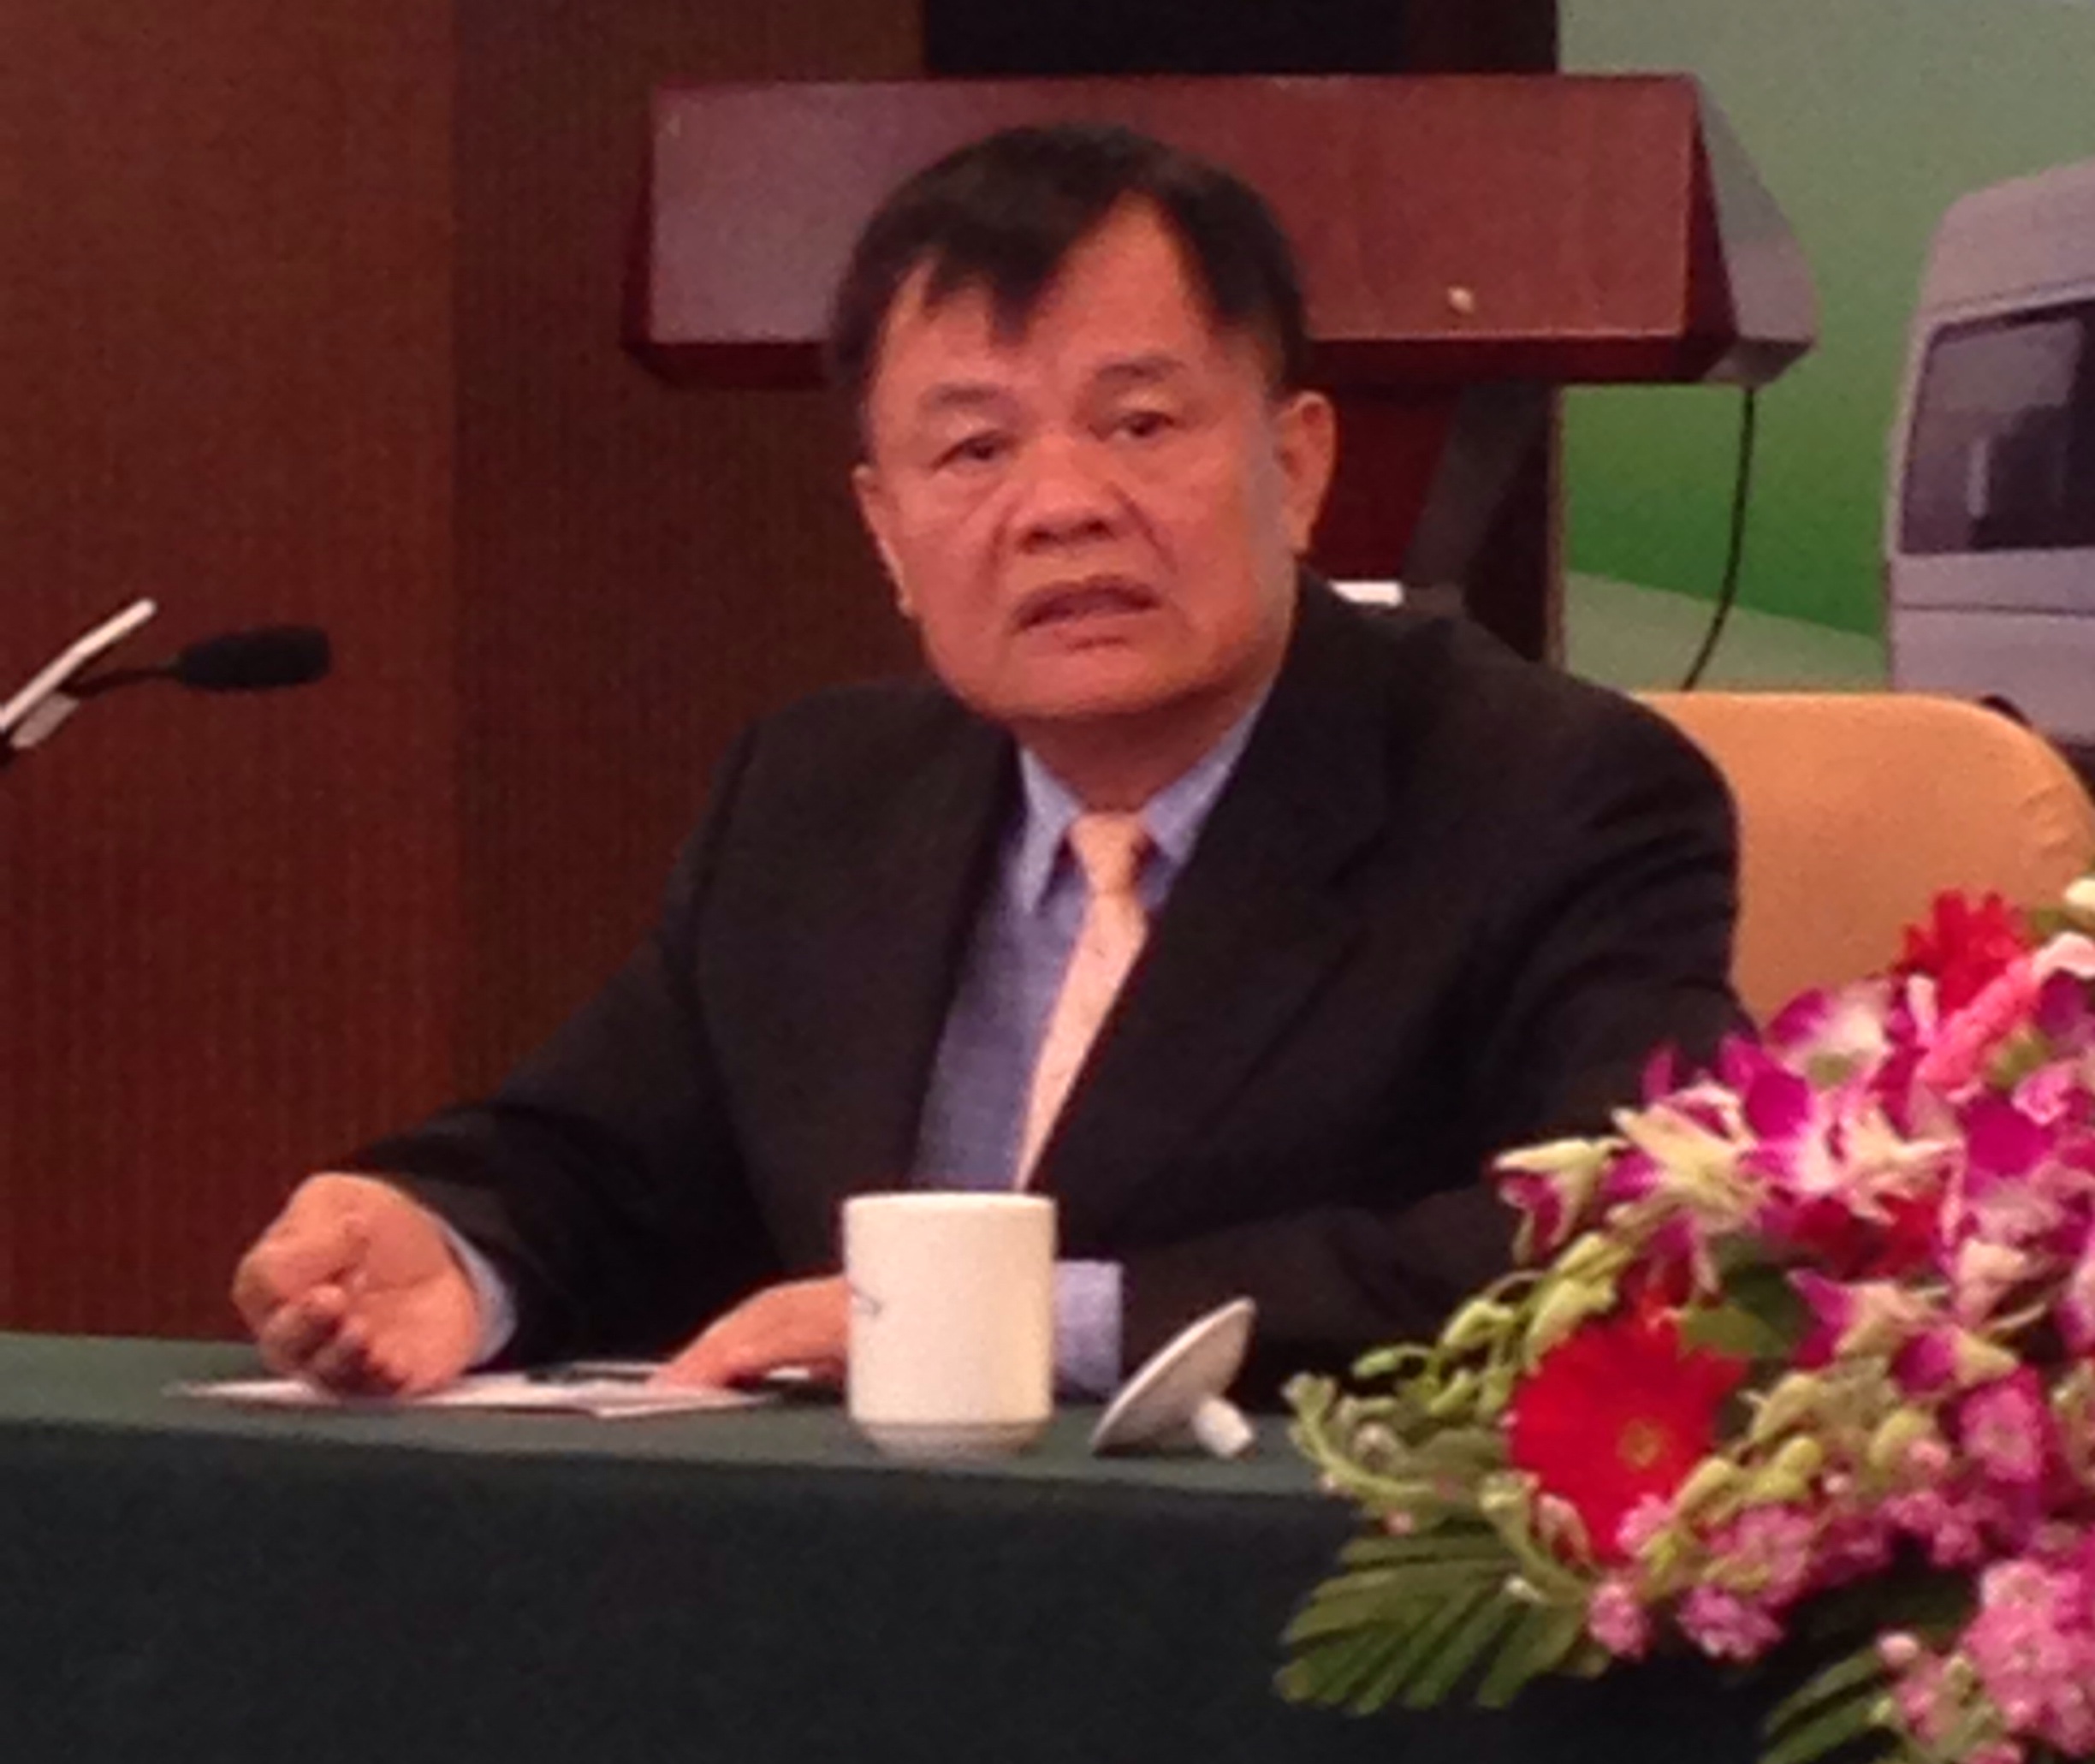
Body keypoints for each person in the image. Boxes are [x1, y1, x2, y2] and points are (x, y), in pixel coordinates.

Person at [232, 122, 1742, 1407]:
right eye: (974, 450)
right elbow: (611, 1164)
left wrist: (1025, 1325)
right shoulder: (818, 798)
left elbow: (1625, 1233)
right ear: (887, 534)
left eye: (1138, 424)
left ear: (1296, 466)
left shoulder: (1553, 793)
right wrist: (450, 1247)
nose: (1061, 504)